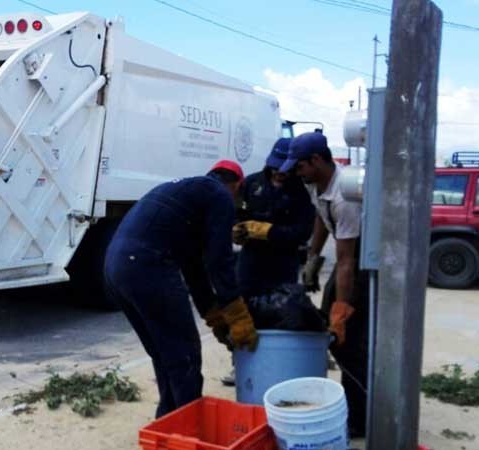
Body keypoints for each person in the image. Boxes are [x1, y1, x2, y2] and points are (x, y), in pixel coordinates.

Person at [104, 160, 259, 418]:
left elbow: (194, 268)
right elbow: (219, 260)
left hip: (114, 266)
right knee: (184, 355)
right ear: (236, 186)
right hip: (147, 265)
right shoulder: (220, 195)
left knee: (165, 353)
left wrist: (212, 315)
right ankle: (189, 428)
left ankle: (168, 421)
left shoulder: (189, 195)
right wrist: (236, 313)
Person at [280, 132, 369, 438]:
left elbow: (346, 261)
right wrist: (313, 257)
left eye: (300, 166)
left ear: (317, 160)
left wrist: (341, 312)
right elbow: (321, 218)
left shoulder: (346, 197)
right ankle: (352, 406)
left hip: (364, 264)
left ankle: (360, 420)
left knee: (349, 341)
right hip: (348, 261)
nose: (297, 172)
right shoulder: (317, 185)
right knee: (334, 333)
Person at [233, 137, 317, 295]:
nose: (279, 172)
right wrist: (236, 230)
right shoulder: (251, 183)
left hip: (283, 263)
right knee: (246, 308)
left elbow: (303, 233)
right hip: (250, 261)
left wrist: (269, 231)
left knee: (282, 311)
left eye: (284, 168)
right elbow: (235, 213)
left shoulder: (303, 192)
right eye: (275, 167)